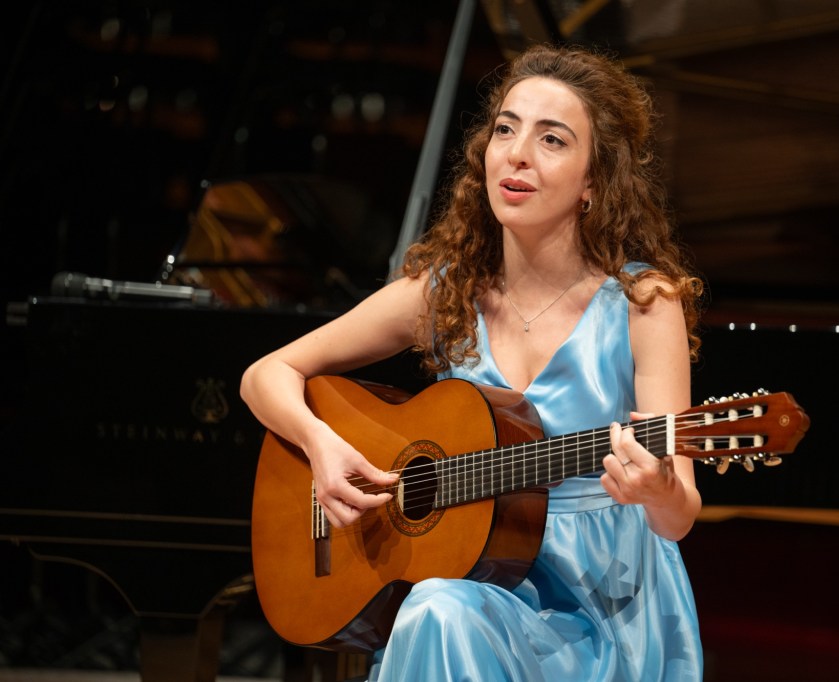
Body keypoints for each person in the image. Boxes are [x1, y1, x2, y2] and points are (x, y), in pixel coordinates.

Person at [240, 43, 705, 681]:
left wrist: (659, 491)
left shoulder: (644, 303)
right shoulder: (446, 292)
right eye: (506, 130)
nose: (517, 154)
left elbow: (679, 518)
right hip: (476, 587)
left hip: (605, 607)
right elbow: (265, 375)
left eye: (552, 140)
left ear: (595, 181)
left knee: (437, 610)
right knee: (439, 609)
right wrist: (321, 446)